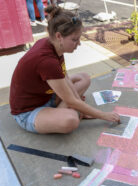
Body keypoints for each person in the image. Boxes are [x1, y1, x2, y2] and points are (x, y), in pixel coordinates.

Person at [9, 5, 120, 134]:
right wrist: (102, 115)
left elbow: (65, 77)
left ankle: (66, 111)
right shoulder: (47, 61)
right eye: (74, 39)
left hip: (46, 96)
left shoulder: (52, 44)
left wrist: (80, 106)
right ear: (59, 36)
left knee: (84, 78)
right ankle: (65, 112)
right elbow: (70, 99)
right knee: (71, 120)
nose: (78, 44)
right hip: (28, 112)